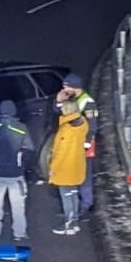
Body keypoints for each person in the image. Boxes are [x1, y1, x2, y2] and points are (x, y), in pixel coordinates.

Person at [0, 99, 34, 241]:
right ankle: (19, 233)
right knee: (18, 206)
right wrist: (21, 162)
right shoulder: (21, 128)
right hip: (15, 175)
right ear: (13, 111)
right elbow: (29, 149)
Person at [57, 72, 98, 214]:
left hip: (83, 145)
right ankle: (73, 208)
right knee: (73, 173)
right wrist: (58, 101)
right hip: (72, 144)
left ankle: (86, 205)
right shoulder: (72, 98)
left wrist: (85, 145)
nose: (63, 90)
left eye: (66, 87)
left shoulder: (87, 102)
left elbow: (92, 126)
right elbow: (60, 113)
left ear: (75, 87)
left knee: (84, 176)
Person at [48, 98, 88, 235]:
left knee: (66, 196)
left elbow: (60, 152)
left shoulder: (66, 129)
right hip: (77, 164)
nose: (61, 110)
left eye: (63, 108)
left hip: (65, 167)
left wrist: (52, 167)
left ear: (68, 110)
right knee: (73, 194)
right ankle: (74, 221)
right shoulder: (82, 123)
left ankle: (68, 224)